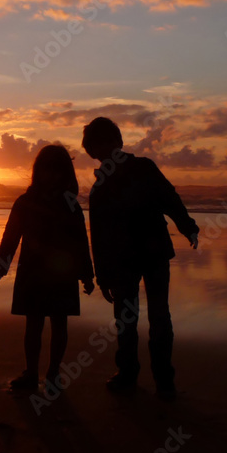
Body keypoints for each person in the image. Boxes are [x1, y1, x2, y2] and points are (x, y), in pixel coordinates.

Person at [82, 117, 199, 400]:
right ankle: (138, 376)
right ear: (95, 152)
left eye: (106, 146)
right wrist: (102, 275)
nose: (105, 153)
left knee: (152, 316)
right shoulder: (107, 185)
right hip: (133, 258)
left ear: (117, 143)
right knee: (136, 318)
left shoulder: (139, 170)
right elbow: (98, 235)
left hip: (148, 254)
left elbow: (169, 198)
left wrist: (187, 225)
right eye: (99, 149)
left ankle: (155, 379)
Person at [0, 144, 95, 391]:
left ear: (65, 173)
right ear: (38, 172)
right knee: (34, 324)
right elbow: (10, 237)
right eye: (46, 170)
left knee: (59, 324)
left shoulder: (70, 205)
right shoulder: (25, 202)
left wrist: (87, 275)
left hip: (62, 273)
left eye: (56, 171)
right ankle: (32, 373)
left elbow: (81, 241)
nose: (51, 176)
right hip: (33, 273)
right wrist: (0, 266)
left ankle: (53, 373)